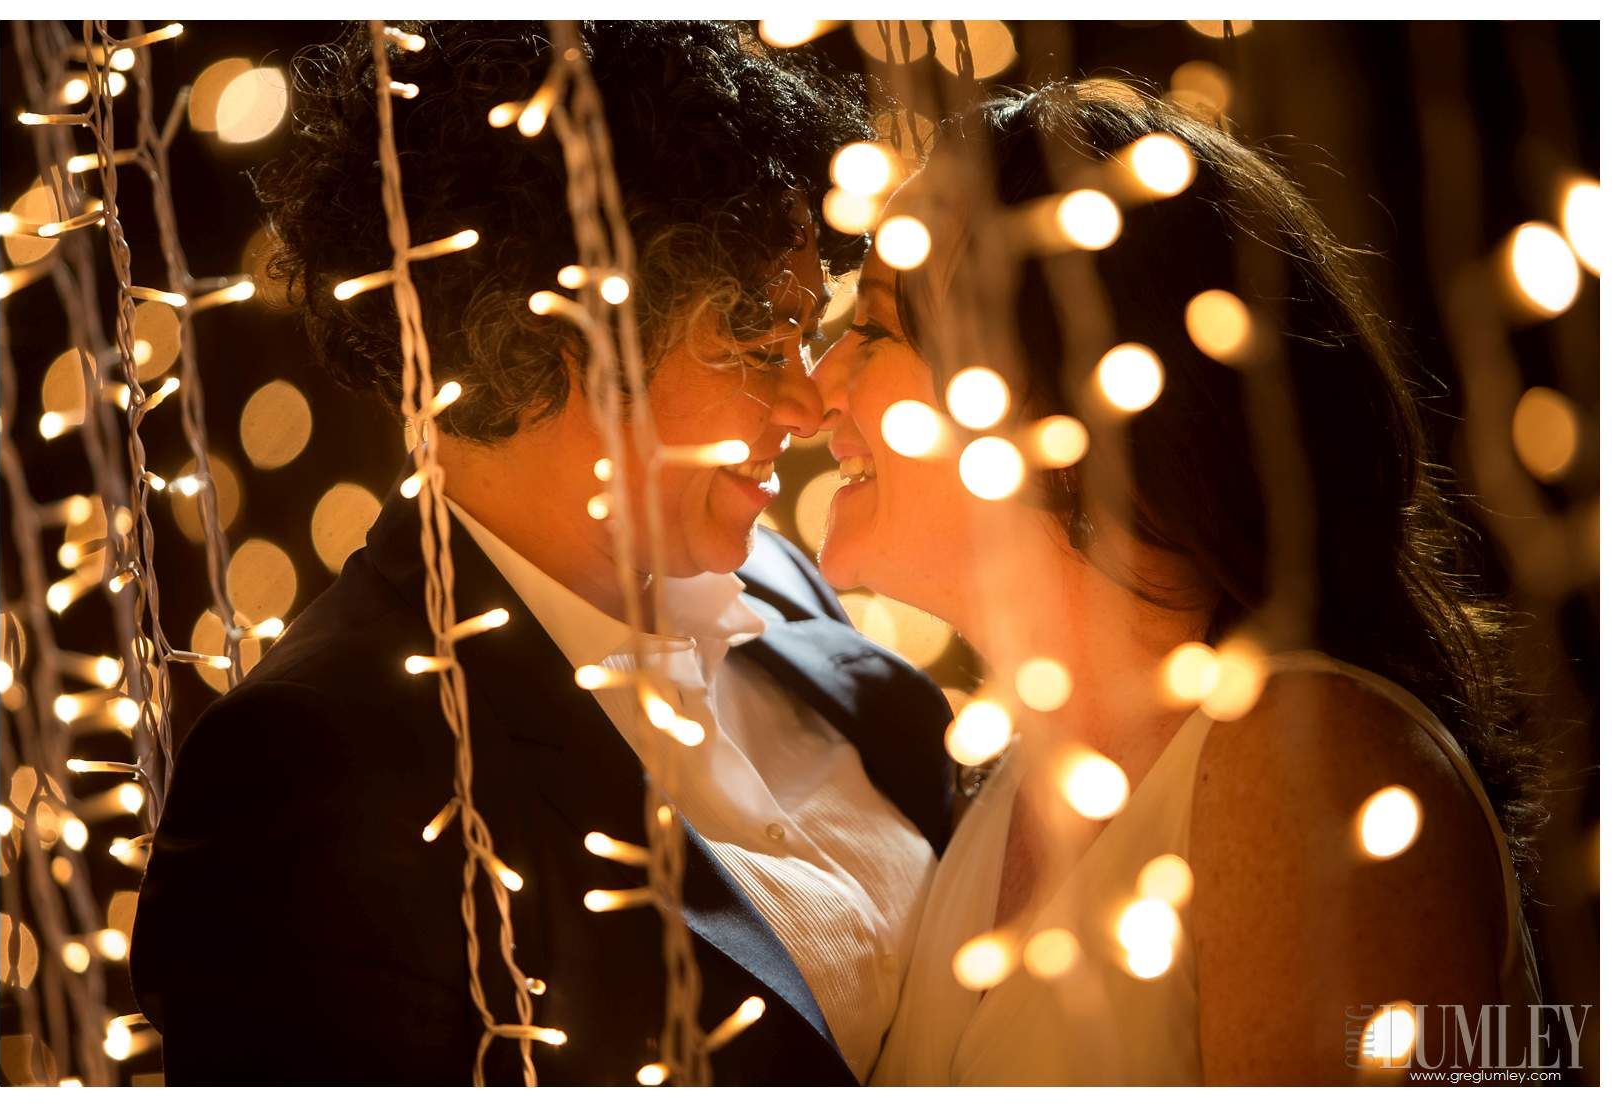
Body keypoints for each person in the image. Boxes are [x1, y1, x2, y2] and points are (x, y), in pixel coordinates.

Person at [131, 21, 952, 1086]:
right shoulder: (315, 774)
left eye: (806, 336)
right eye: (757, 343)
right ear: (565, 333)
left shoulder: (780, 579)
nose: (806, 403)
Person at [810, 82, 1544, 1084]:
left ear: (1042, 387)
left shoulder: (1302, 767)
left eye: (874, 329)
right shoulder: (1001, 801)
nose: (817, 385)